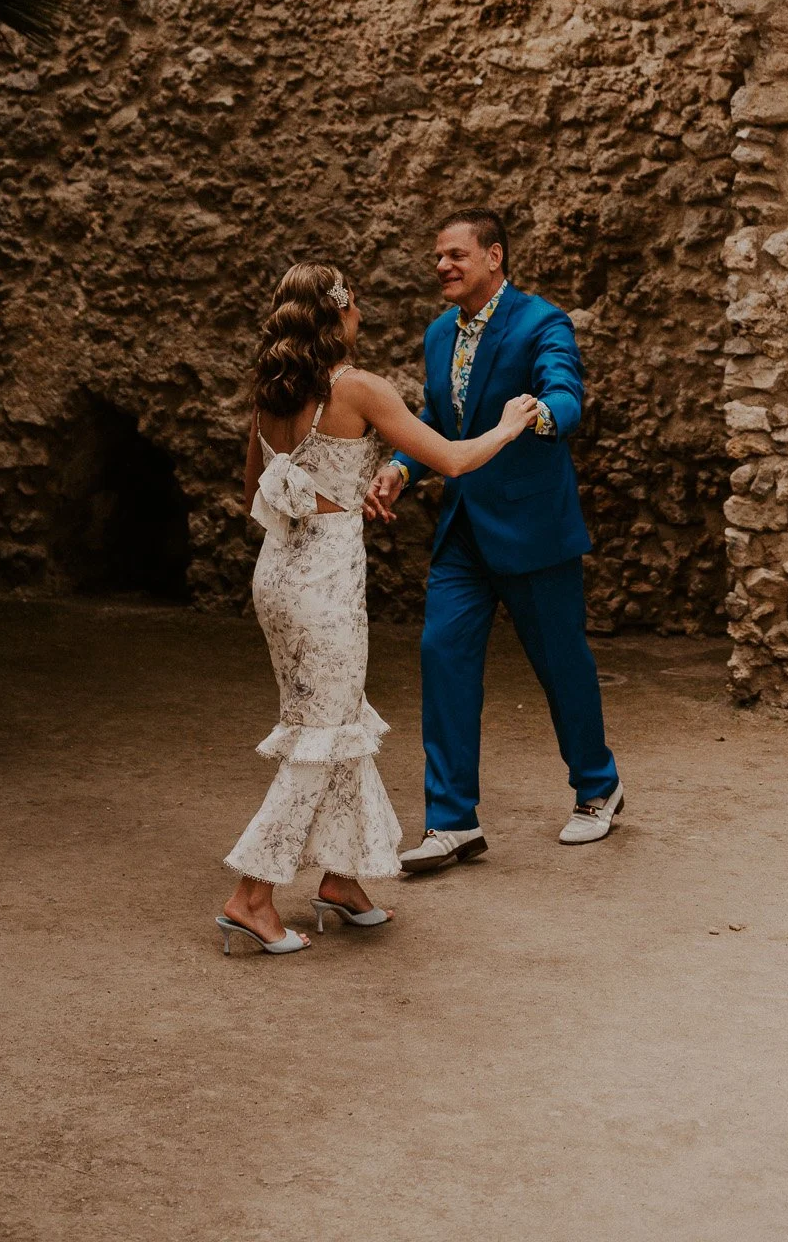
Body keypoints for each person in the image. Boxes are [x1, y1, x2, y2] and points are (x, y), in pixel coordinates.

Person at [218, 260, 538, 955]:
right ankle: (252, 895)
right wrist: (511, 423)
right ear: (335, 317)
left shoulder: (272, 393)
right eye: (354, 305)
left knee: (336, 722)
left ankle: (341, 879)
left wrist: (329, 489)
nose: (361, 315)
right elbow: (450, 460)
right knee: (320, 735)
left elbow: (254, 495)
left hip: (277, 573)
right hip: (326, 580)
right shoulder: (356, 387)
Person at [364, 209, 622, 872]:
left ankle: (597, 789)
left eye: (455, 255)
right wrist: (400, 466)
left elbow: (566, 392)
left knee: (560, 663)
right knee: (441, 655)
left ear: (494, 257)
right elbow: (435, 417)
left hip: (535, 529)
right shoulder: (436, 334)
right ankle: (451, 822)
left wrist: (539, 413)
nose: (443, 266)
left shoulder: (542, 322)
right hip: (463, 532)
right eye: (438, 257)